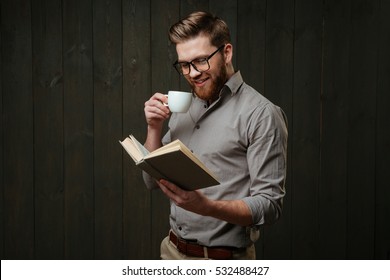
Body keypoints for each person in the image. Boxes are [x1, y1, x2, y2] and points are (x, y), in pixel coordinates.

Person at [142, 11, 288, 260]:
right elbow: (151, 180)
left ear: (227, 52)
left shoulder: (261, 114)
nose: (193, 73)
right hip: (171, 251)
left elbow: (270, 205)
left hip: (223, 260)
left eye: (200, 60)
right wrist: (154, 127)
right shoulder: (184, 105)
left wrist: (206, 207)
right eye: (185, 65)